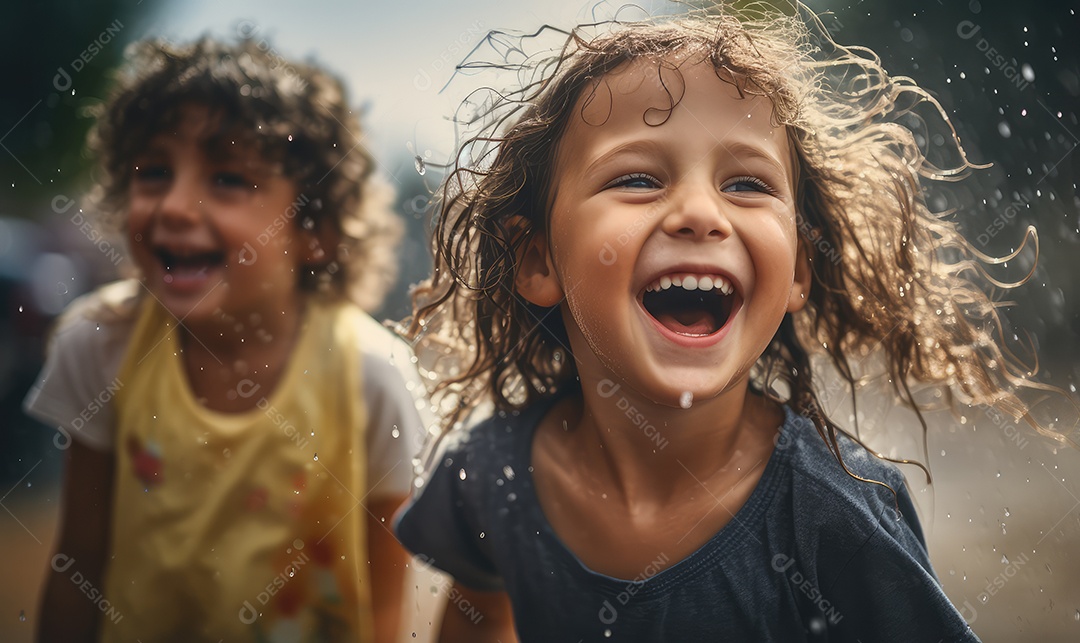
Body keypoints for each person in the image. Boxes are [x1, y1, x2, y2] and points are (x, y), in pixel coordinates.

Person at [392, 4, 1053, 642]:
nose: (700, 212)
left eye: (746, 185)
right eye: (638, 178)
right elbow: (482, 616)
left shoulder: (835, 516)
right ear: (538, 258)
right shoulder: (492, 477)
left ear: (798, 267)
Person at [25, 36, 429, 643]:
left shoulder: (373, 377)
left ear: (313, 231)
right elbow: (77, 560)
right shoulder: (100, 344)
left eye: (229, 179)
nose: (176, 206)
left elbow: (384, 613)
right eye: (154, 171)